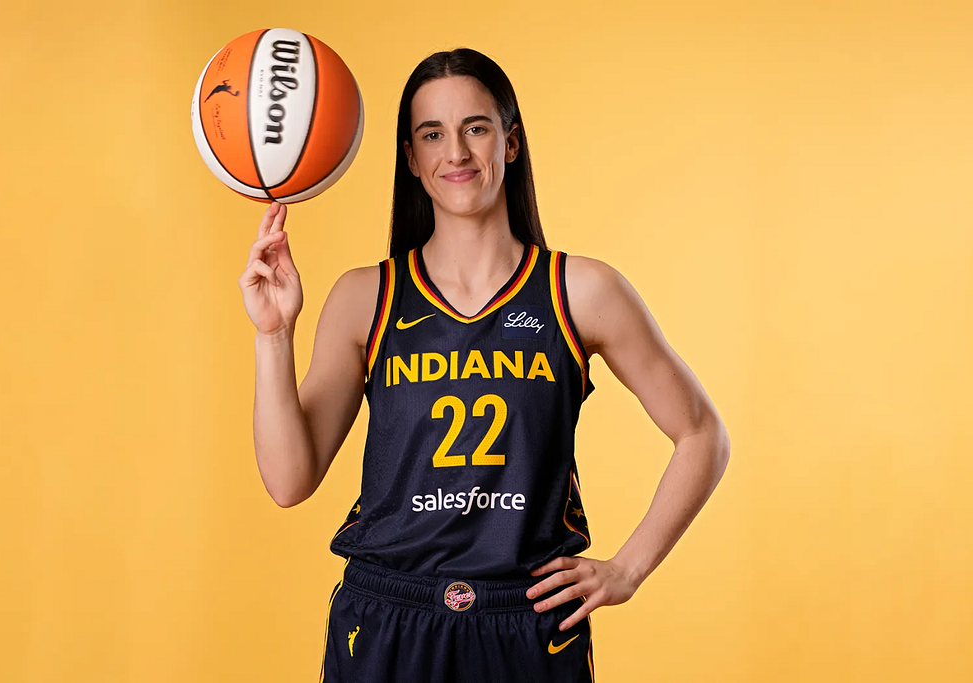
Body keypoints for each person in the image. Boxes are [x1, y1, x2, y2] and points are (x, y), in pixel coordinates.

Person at [239, 48, 730, 683]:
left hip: (524, 620)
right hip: (389, 615)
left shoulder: (579, 291)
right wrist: (273, 333)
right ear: (411, 160)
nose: (458, 153)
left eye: (476, 127)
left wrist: (628, 568)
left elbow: (702, 434)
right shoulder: (367, 297)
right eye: (432, 134)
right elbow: (288, 480)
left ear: (511, 142)